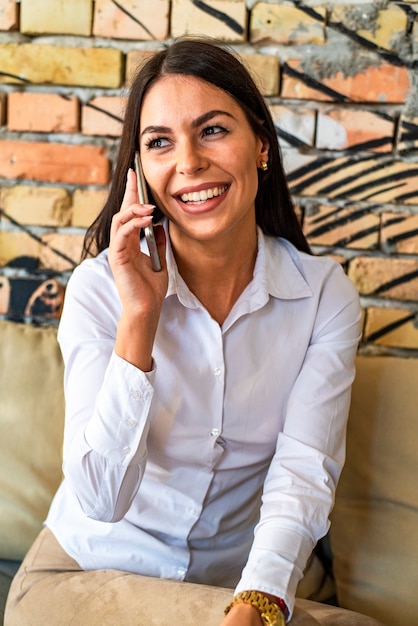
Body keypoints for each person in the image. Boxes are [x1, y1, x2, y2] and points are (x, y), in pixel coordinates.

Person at [5, 38, 363, 626]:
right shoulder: (99, 291)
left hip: (236, 583)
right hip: (91, 572)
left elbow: (303, 470)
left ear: (262, 147)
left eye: (213, 130)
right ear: (140, 171)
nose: (189, 162)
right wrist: (139, 319)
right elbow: (100, 499)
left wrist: (260, 599)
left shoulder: (323, 295)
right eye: (159, 143)